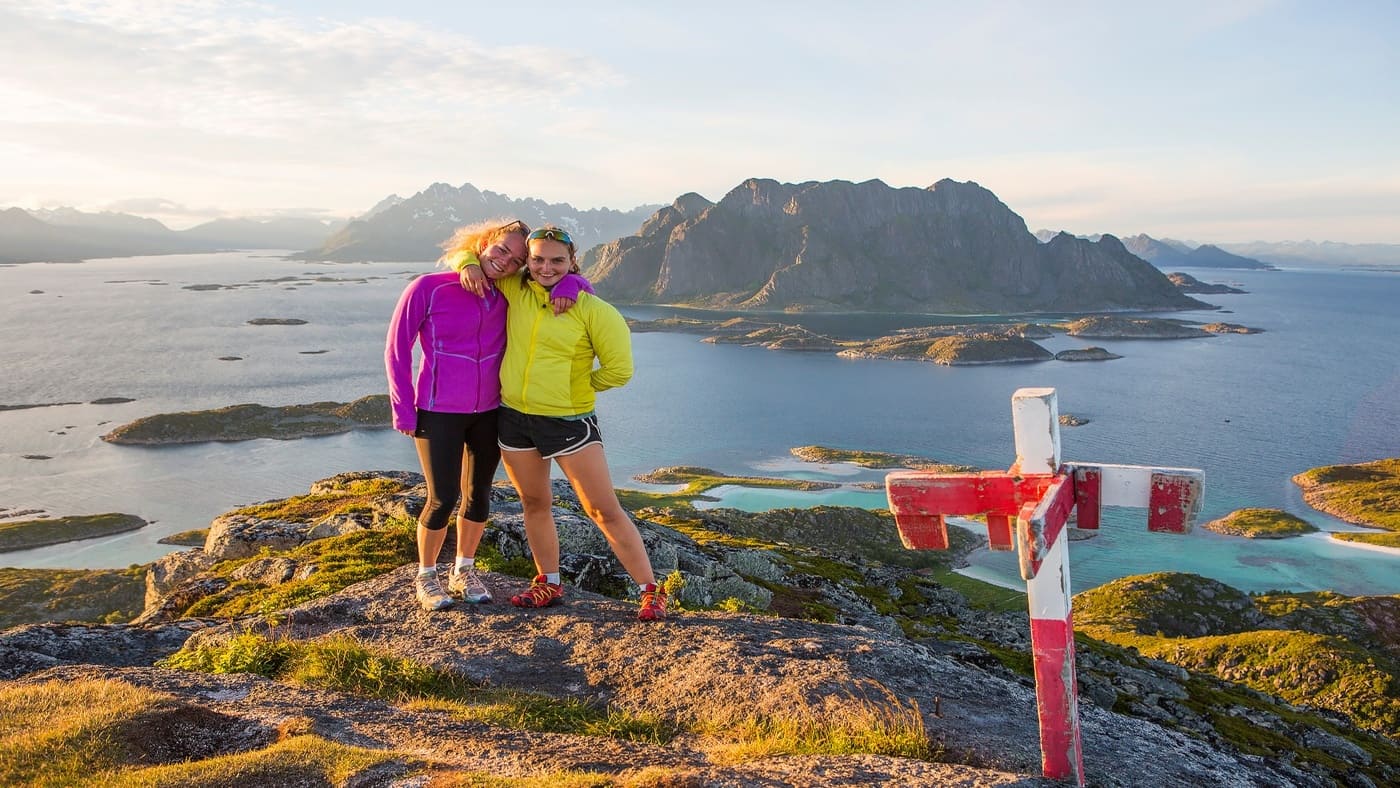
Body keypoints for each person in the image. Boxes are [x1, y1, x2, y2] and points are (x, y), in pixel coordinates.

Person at [454, 226, 668, 621]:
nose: (545, 267)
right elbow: (471, 256)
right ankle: (548, 582)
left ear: (572, 263)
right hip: (515, 419)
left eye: (557, 261)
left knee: (603, 509)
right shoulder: (516, 290)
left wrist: (573, 388)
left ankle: (651, 590)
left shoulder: (594, 310)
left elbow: (619, 370)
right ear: (528, 262)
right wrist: (467, 261)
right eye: (537, 259)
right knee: (535, 503)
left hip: (570, 421)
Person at [386, 219, 590, 611]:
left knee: (479, 496)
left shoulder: (509, 293)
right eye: (500, 251)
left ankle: (463, 569)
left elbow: (576, 286)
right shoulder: (427, 288)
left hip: (490, 411)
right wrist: (403, 408)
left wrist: (568, 284)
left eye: (515, 260)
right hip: (437, 409)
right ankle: (426, 576)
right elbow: (397, 350)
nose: (505, 262)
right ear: (483, 244)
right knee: (442, 498)